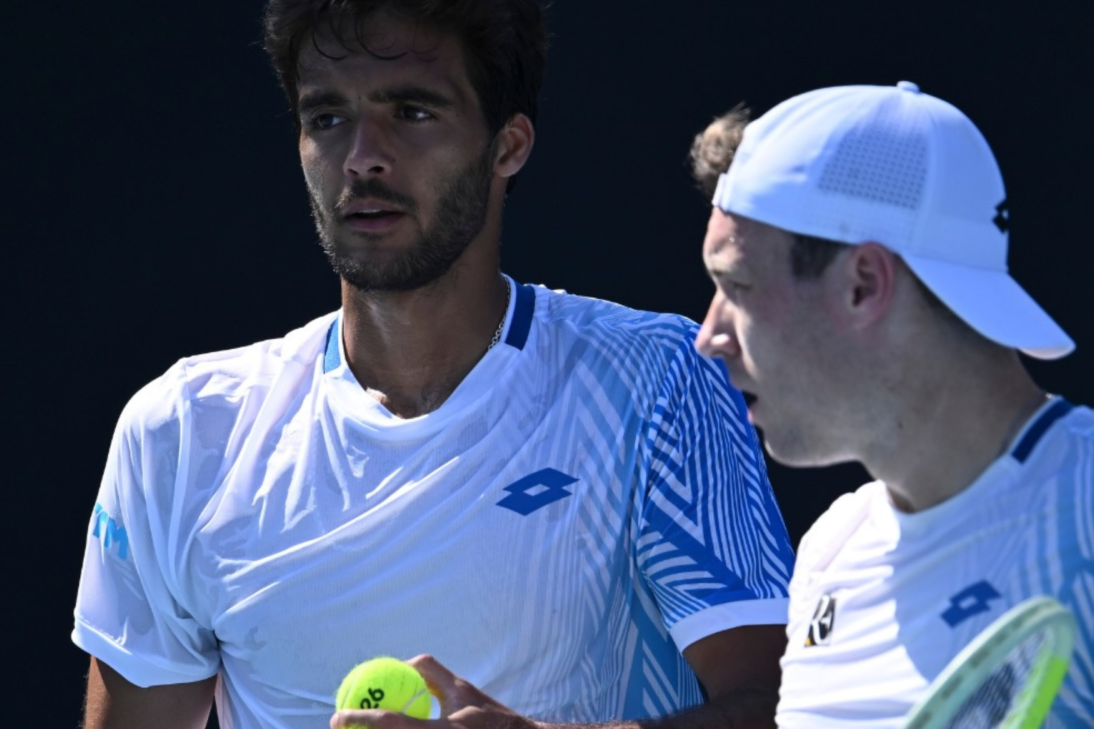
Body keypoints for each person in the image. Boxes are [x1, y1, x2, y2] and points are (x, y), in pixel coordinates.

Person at [71, 2, 796, 728]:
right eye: (327, 117)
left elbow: (786, 709)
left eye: (412, 111)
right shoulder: (181, 429)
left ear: (508, 146)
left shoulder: (659, 382)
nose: (362, 157)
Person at [694, 80, 1094, 726]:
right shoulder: (830, 553)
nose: (709, 337)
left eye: (736, 285)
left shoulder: (1084, 518)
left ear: (864, 284)